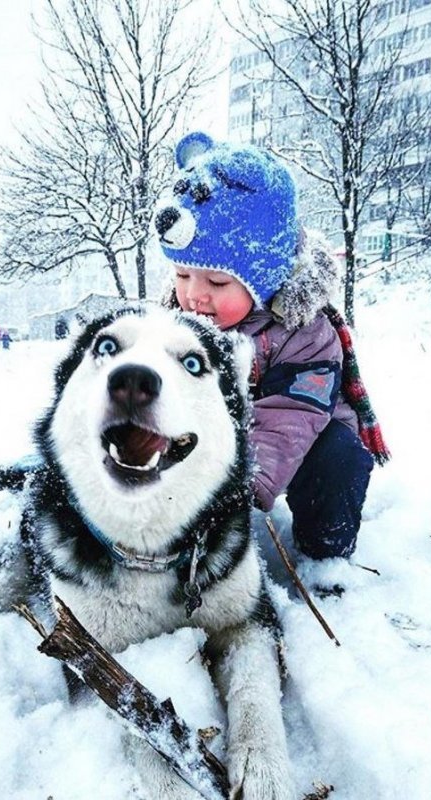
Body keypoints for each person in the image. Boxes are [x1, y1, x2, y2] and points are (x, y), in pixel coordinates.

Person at [155, 132, 390, 561]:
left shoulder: (304, 333)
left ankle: (326, 552)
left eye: (218, 282)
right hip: (221, 432)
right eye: (182, 275)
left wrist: (242, 490)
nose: (194, 296)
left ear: (263, 277)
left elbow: (290, 417)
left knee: (339, 461)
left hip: (306, 434)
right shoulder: (176, 324)